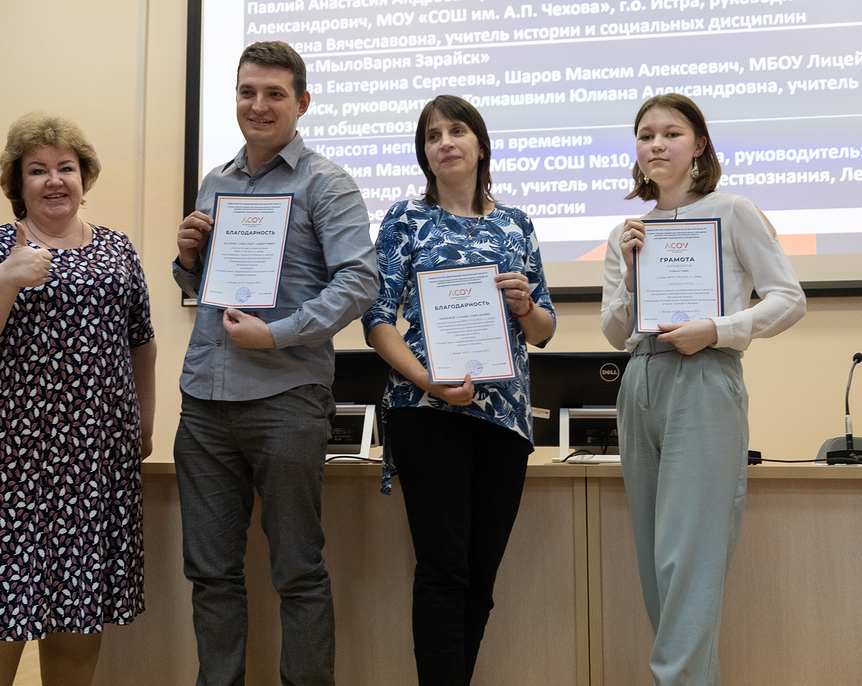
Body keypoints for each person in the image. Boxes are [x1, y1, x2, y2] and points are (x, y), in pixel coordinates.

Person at [172, 41, 379, 686]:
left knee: (297, 572)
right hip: (204, 400)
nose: (258, 106)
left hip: (286, 398)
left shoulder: (327, 183)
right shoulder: (217, 181)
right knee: (210, 573)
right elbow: (200, 290)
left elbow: (358, 282)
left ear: (302, 103)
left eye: (274, 94)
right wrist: (185, 259)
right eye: (246, 92)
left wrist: (279, 334)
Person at [0, 112, 157, 686]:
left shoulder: (116, 251)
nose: (55, 180)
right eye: (38, 170)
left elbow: (142, 344)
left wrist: (144, 428)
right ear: (18, 184)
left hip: (94, 461)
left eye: (66, 167)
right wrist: (7, 276)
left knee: (78, 611)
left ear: (85, 176)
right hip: (7, 461)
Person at [600, 93, 806, 685]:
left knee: (687, 558)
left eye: (671, 133)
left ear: (700, 144)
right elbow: (616, 333)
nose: (656, 145)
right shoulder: (626, 232)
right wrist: (634, 274)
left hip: (704, 377)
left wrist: (716, 328)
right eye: (645, 136)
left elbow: (789, 300)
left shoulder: (733, 210)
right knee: (654, 559)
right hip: (640, 379)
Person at [362, 94, 556, 685]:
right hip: (426, 409)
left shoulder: (515, 223)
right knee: (444, 570)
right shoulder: (404, 217)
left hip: (504, 420)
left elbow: (544, 329)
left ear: (480, 142)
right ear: (424, 153)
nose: (444, 142)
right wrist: (429, 382)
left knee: (480, 574)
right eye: (432, 135)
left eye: (456, 130)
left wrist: (525, 306)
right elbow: (376, 321)